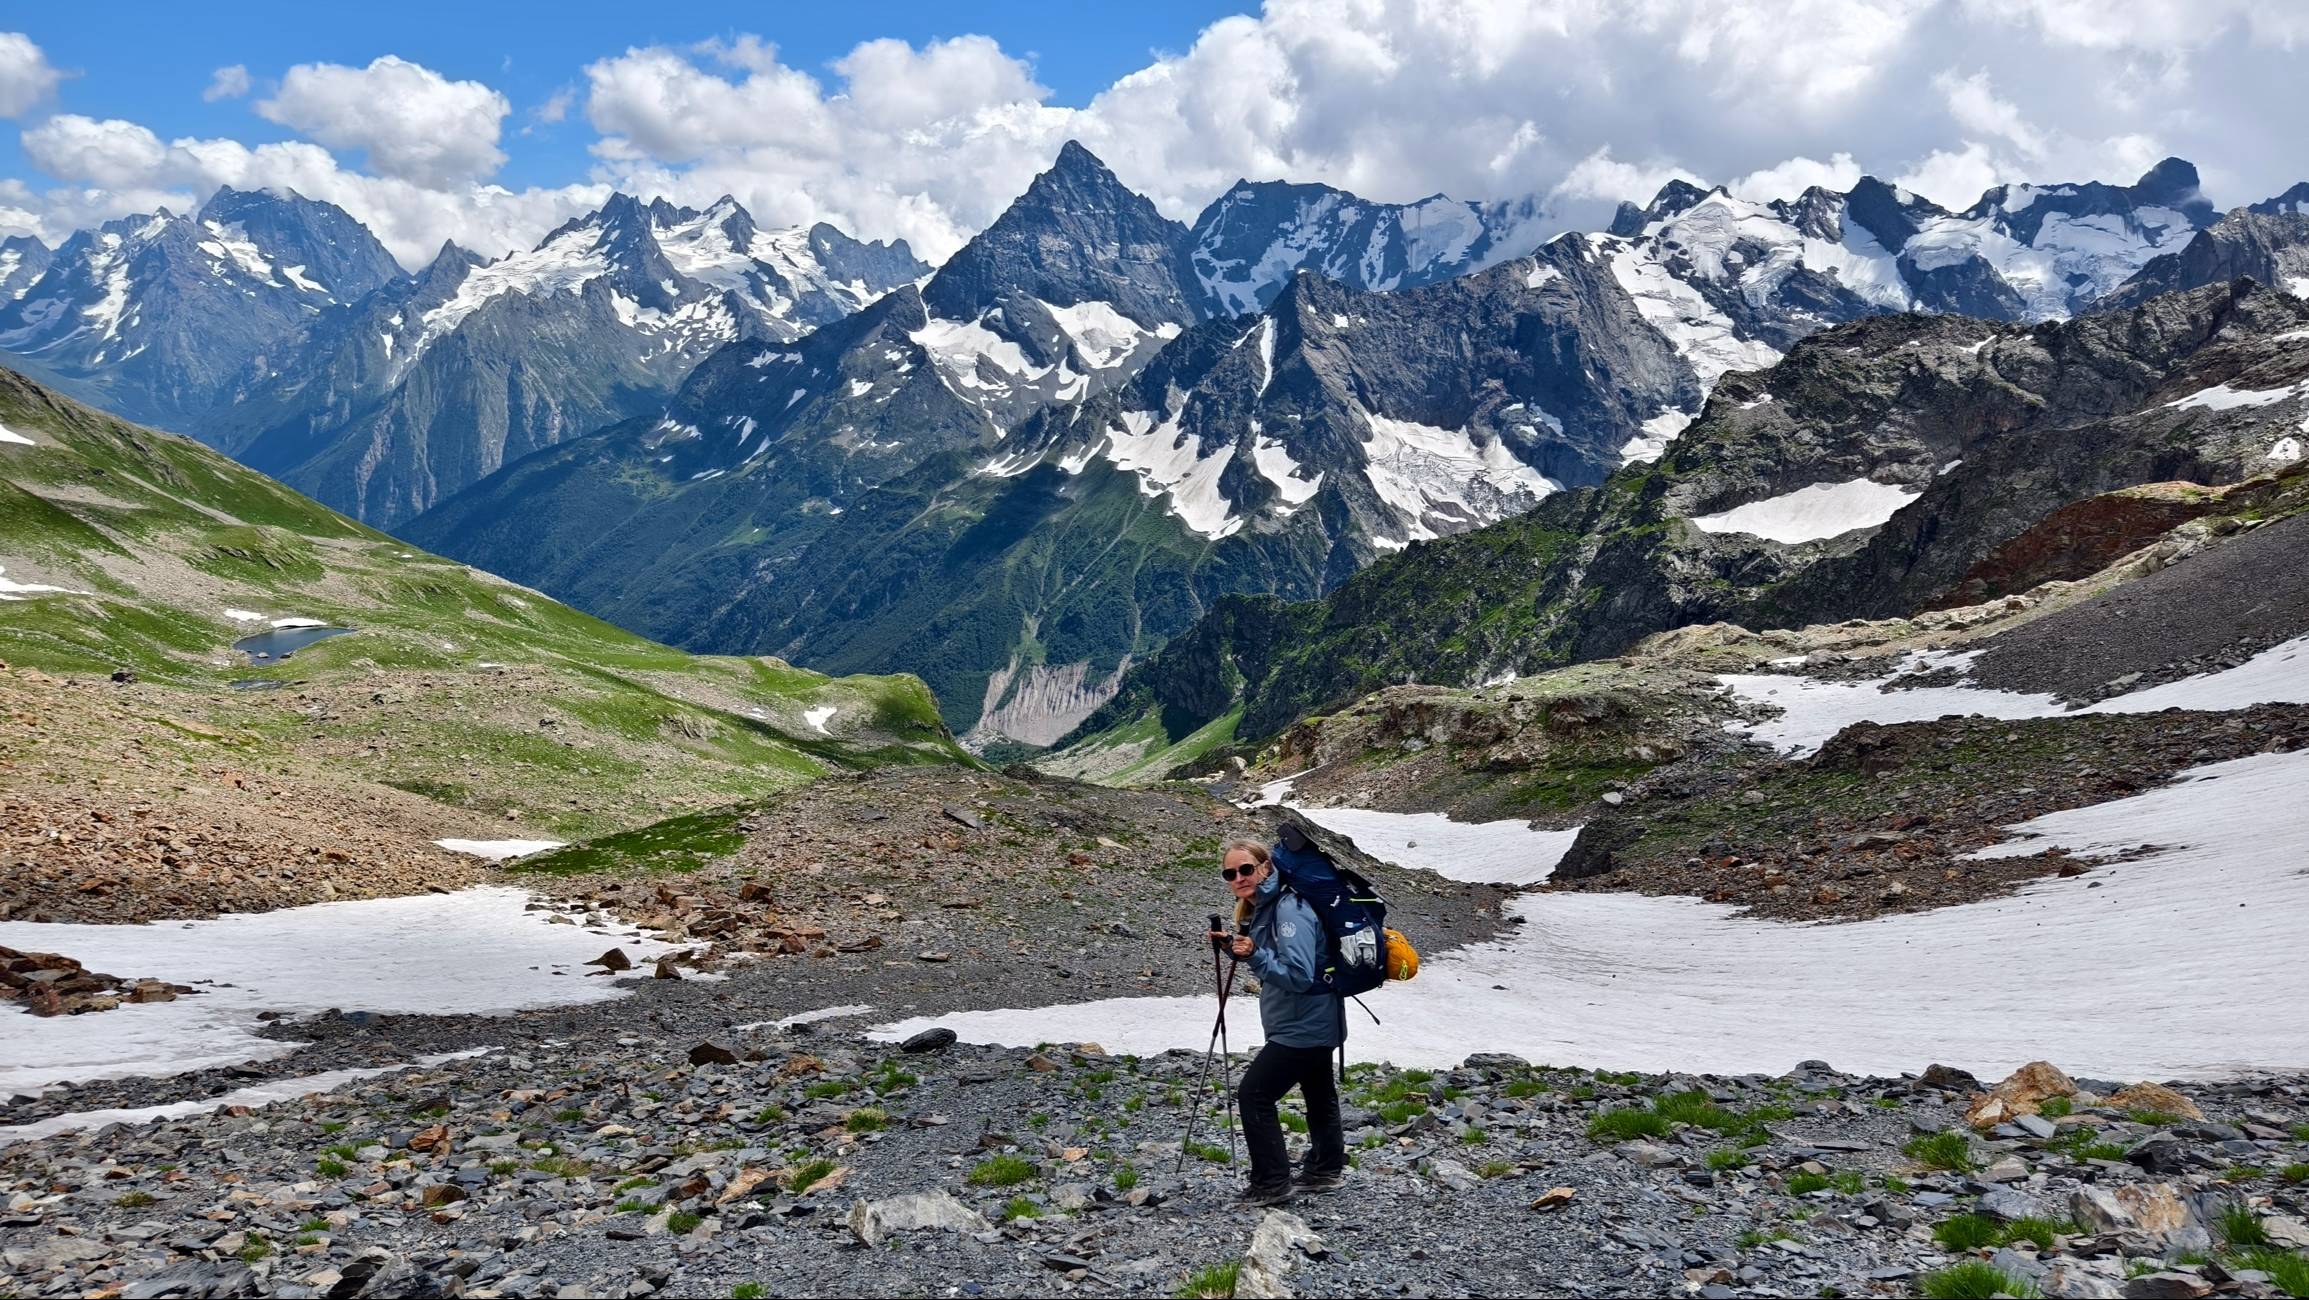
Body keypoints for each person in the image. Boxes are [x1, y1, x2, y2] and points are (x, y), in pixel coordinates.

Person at [1212, 837, 1347, 1206]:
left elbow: (1300, 975)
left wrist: (1255, 956)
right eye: (1230, 872)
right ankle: (1324, 1170)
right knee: (1319, 1094)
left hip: (1304, 1023)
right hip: (1314, 1020)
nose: (1238, 877)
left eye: (1246, 869)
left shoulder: (1288, 909)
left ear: (1266, 868)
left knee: (1254, 1094)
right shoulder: (1266, 907)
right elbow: (1281, 963)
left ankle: (1271, 1182)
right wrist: (1236, 948)